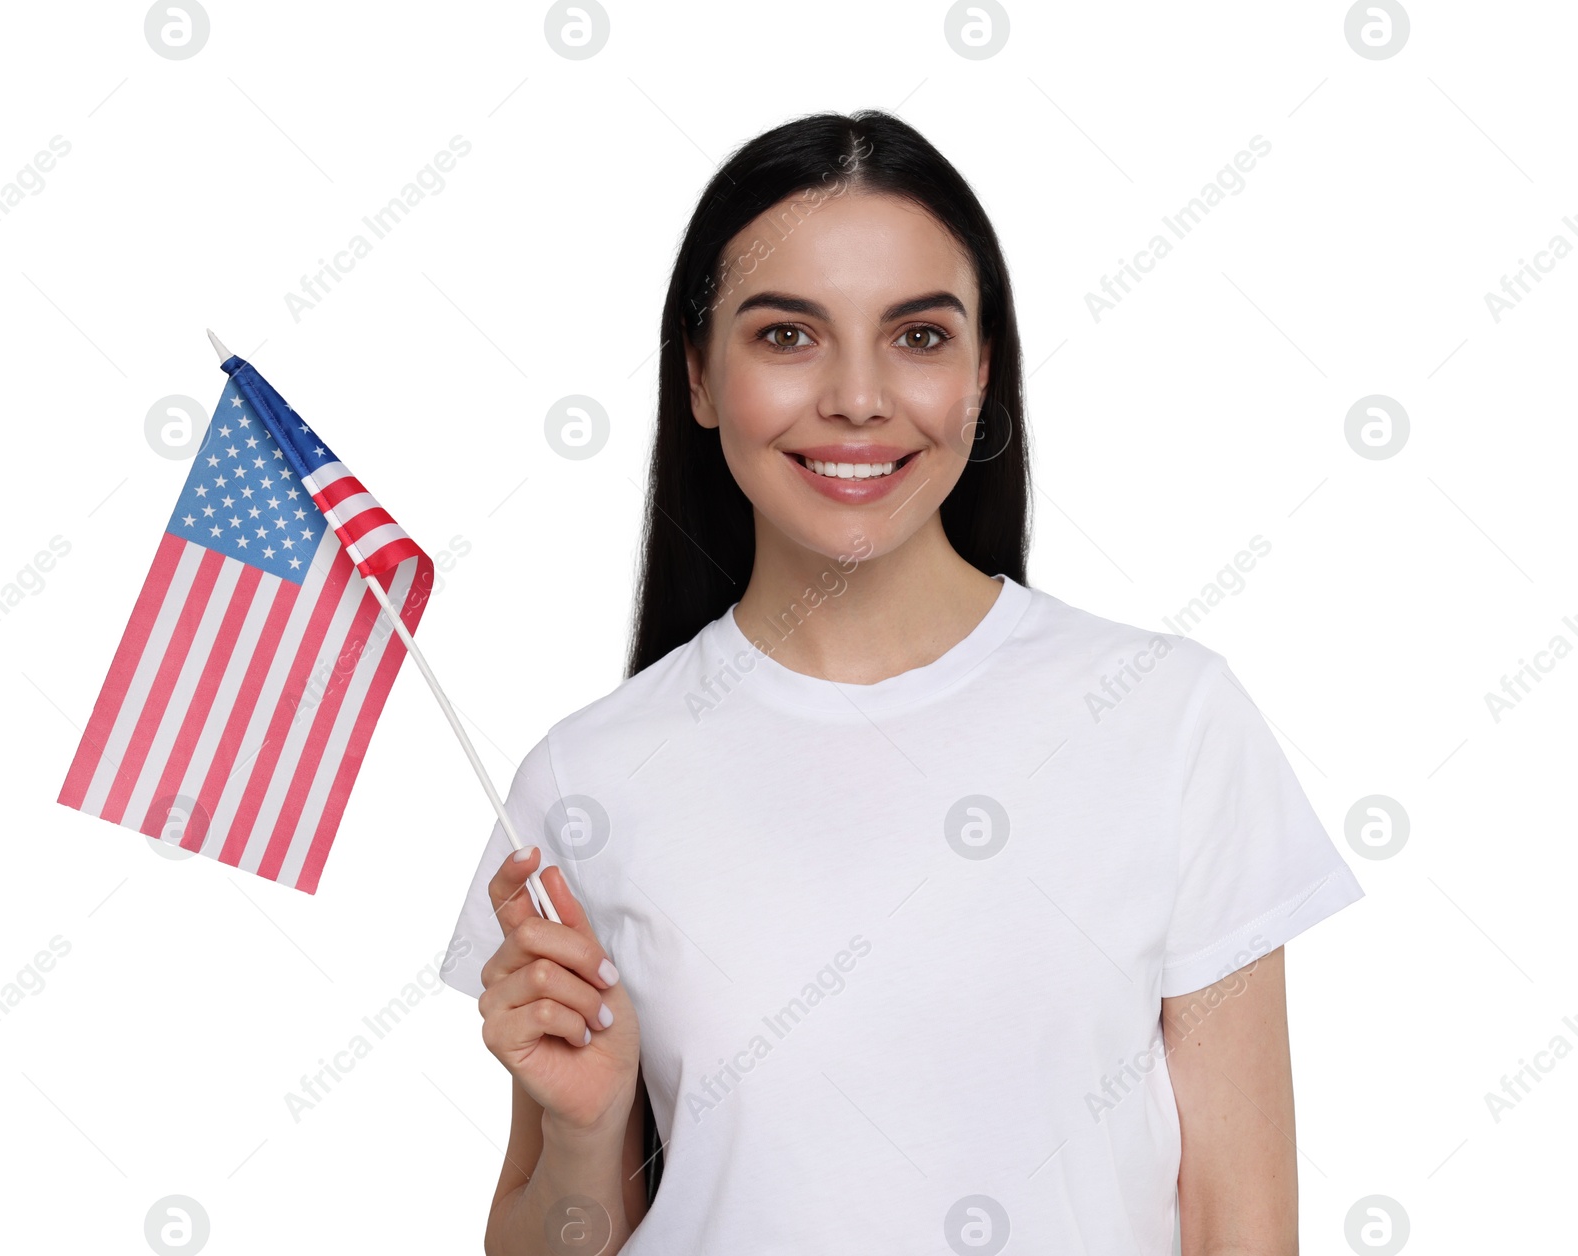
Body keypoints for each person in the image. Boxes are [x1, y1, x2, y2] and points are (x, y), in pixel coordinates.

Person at [439, 108, 1365, 1255]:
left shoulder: (1167, 718)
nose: (858, 398)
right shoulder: (587, 777)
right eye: (787, 336)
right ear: (699, 375)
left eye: (918, 338)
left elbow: (1243, 1221)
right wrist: (583, 1136)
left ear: (982, 376)